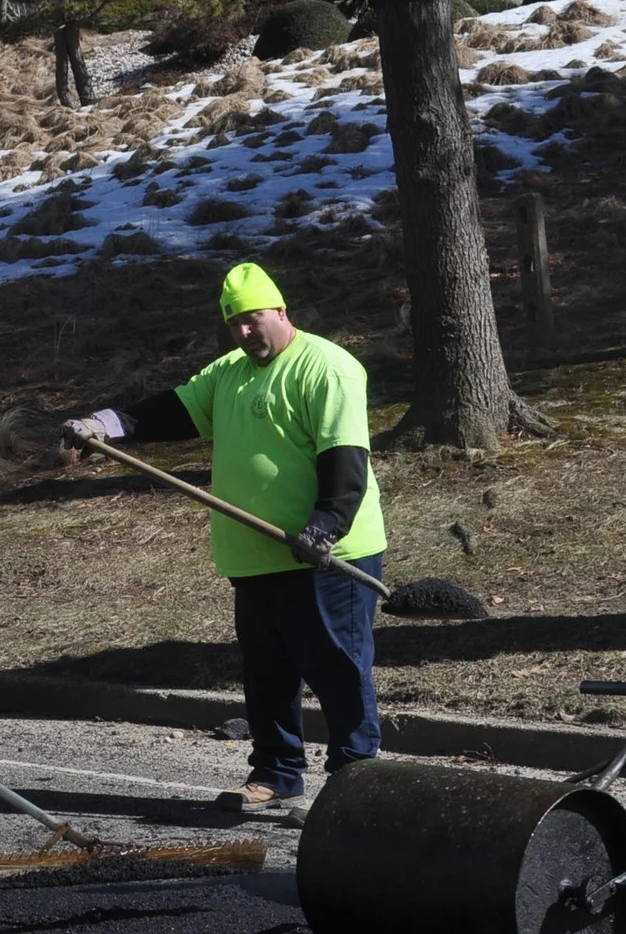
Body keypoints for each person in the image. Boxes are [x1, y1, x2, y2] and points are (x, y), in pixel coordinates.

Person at [67, 260, 386, 809]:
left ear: (281, 311)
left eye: (252, 319)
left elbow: (346, 458)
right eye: (234, 323)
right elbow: (173, 410)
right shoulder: (229, 373)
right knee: (267, 677)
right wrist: (105, 423)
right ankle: (277, 772)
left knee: (338, 668)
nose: (243, 332)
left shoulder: (326, 368)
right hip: (254, 558)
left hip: (324, 556)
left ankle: (356, 781)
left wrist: (326, 525)